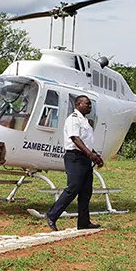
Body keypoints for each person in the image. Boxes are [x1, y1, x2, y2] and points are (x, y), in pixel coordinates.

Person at [45, 95, 104, 231]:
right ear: (78, 104)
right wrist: (90, 154)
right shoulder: (73, 119)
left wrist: (94, 155)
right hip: (75, 157)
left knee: (86, 191)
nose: (90, 107)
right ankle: (52, 215)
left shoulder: (85, 121)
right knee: (73, 188)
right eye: (87, 104)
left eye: (90, 105)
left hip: (85, 158)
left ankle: (83, 222)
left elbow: (85, 141)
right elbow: (75, 139)